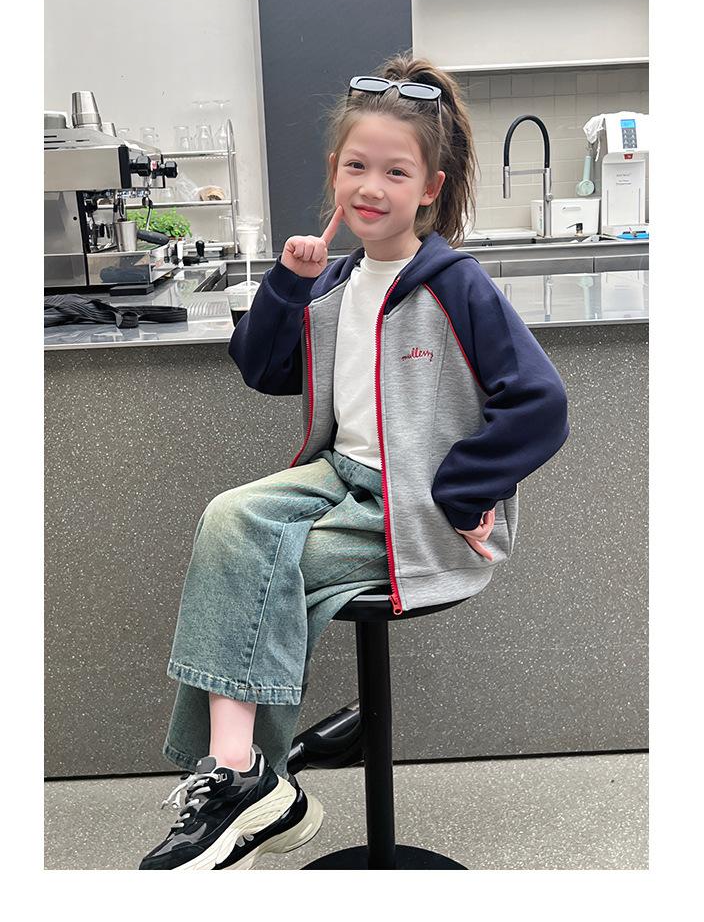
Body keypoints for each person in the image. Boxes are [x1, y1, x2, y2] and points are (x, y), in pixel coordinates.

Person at [139, 52, 569, 870]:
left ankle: (246, 778)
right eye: (357, 167)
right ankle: (244, 775)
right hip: (340, 478)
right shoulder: (334, 280)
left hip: (414, 507)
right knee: (228, 519)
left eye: (396, 172)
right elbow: (263, 369)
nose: (373, 187)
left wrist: (459, 491)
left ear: (430, 188)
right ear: (335, 172)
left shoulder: (456, 285)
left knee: (262, 562)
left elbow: (541, 405)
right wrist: (287, 284)